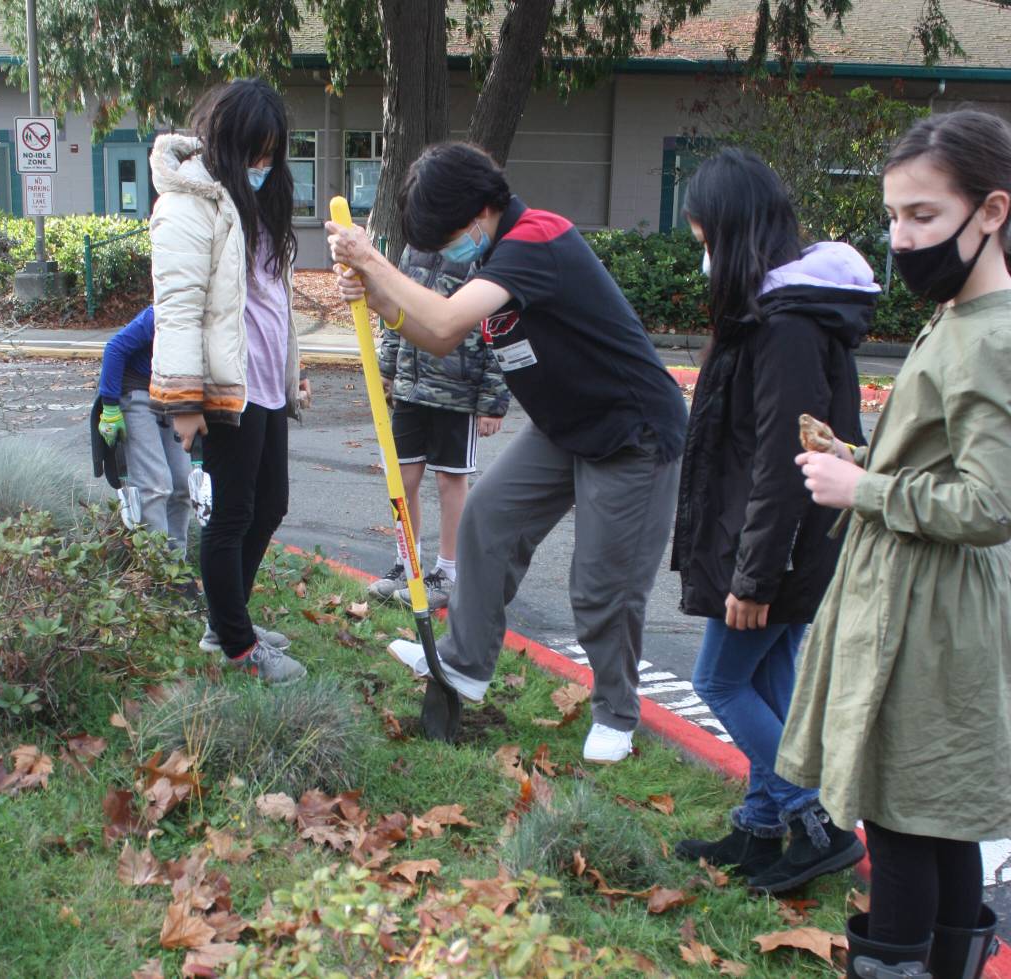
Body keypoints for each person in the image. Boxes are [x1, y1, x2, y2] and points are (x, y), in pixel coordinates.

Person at [328, 141, 689, 763]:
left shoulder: (536, 240)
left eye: (444, 239)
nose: (443, 253)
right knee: (489, 520)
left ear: (475, 215)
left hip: (632, 434)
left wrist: (371, 258)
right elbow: (437, 338)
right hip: (564, 424)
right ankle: (465, 664)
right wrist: (379, 299)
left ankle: (616, 714)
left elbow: (442, 323)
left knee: (603, 585)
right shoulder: (494, 252)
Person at [776, 108, 1011, 979]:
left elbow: (992, 503)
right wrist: (869, 456)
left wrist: (861, 488)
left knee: (904, 821)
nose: (901, 238)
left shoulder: (991, 334)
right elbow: (950, 458)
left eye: (923, 216)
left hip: (931, 612)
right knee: (932, 817)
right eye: (893, 216)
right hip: (925, 597)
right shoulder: (960, 317)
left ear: (991, 211)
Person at [669, 149, 874, 893]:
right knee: (770, 675)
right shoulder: (777, 311)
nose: (703, 261)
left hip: (773, 550)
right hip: (787, 545)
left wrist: (752, 577)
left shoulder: (784, 325)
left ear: (736, 235)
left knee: (719, 681)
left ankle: (812, 820)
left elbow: (779, 465)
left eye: (705, 244)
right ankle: (760, 828)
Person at [148, 78, 311, 684]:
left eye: (272, 153)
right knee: (231, 516)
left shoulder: (259, 205)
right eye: (254, 152)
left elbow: (272, 304)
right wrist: (184, 403)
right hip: (219, 393)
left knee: (271, 504)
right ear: (223, 142)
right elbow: (179, 307)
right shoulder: (189, 205)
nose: (264, 166)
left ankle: (228, 619)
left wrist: (294, 373)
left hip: (265, 387)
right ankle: (237, 645)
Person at [368, 245, 509, 610]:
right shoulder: (413, 251)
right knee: (402, 479)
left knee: (450, 480)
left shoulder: (481, 252)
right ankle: (406, 563)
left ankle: (448, 572)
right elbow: (395, 311)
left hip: (458, 392)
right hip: (410, 388)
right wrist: (387, 367)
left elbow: (498, 327)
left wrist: (493, 401)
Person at [95, 304, 192, 554]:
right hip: (136, 389)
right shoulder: (161, 313)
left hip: (174, 395)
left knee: (183, 484)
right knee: (155, 485)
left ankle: (176, 568)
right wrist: (110, 406)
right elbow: (114, 348)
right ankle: (157, 571)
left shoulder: (218, 321)